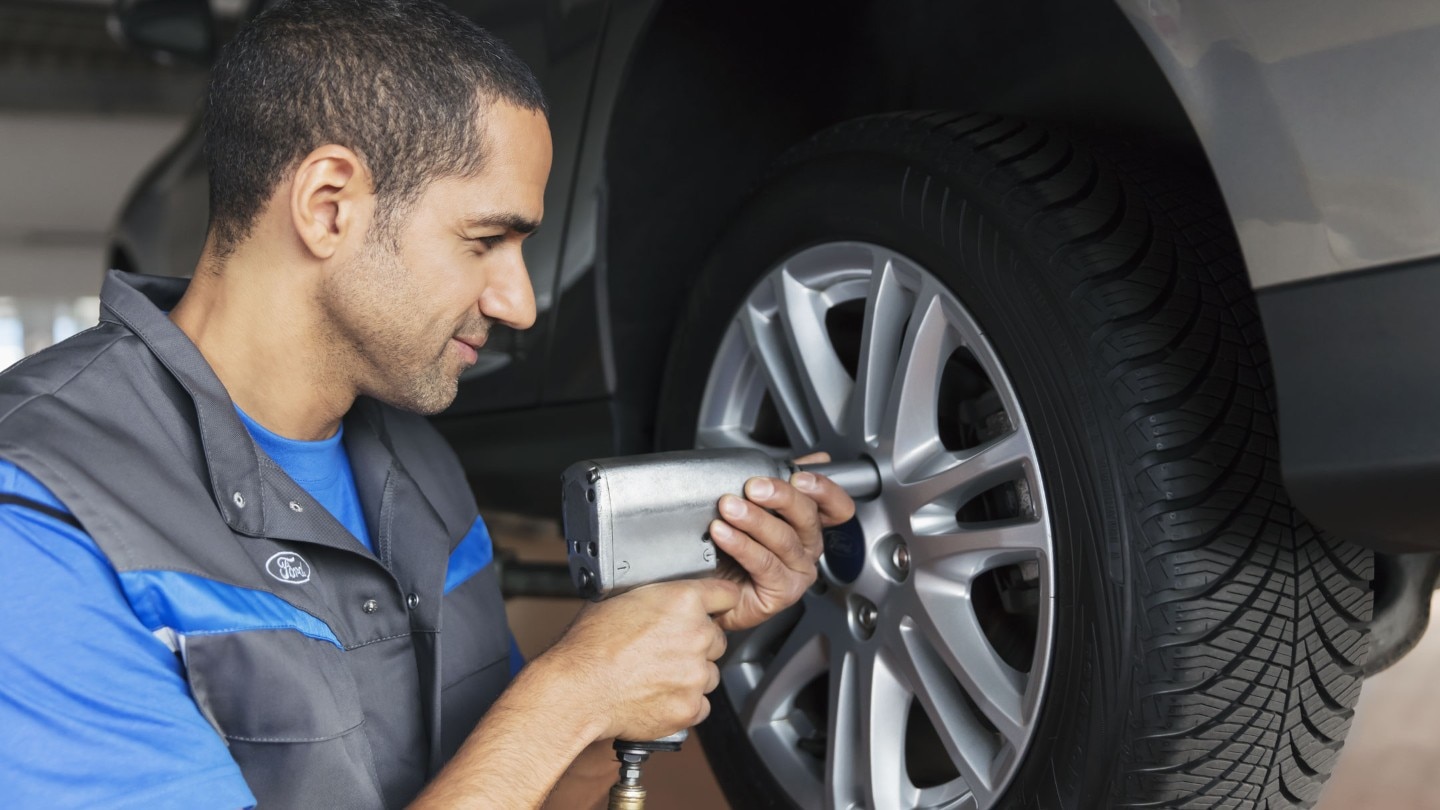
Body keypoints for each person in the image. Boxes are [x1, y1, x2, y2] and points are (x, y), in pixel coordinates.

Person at [0, 1, 855, 808]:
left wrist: (638, 664)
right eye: (486, 240)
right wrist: (570, 691)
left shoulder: (418, 462)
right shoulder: (41, 517)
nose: (520, 303)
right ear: (328, 206)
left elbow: (523, 789)